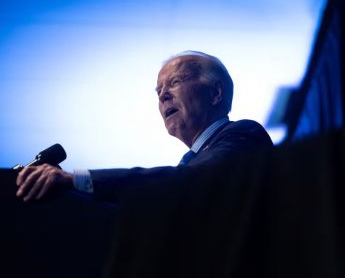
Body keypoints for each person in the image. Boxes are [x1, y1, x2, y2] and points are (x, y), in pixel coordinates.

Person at [16, 51, 273, 202]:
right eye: (158, 91)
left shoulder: (243, 134)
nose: (162, 97)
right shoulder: (190, 159)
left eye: (175, 83)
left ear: (215, 93)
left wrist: (78, 180)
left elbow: (187, 183)